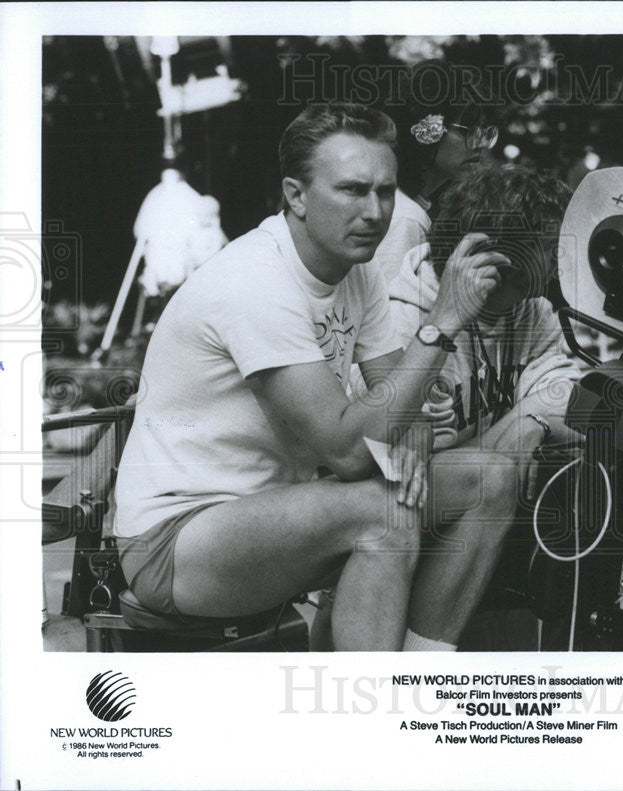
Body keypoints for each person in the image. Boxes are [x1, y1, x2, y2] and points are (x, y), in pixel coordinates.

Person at [112, 102, 520, 652]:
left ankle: (423, 673)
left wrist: (411, 434)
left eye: (385, 190)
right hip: (177, 540)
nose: (375, 211)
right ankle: (369, 719)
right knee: (385, 511)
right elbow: (353, 450)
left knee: (491, 477)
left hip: (284, 514)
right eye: (352, 190)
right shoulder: (255, 282)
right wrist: (442, 322)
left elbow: (405, 415)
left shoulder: (359, 274)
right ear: (296, 195)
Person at [386, 164, 580, 492]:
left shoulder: (534, 312)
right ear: (494, 253)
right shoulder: (405, 325)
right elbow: (412, 473)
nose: (558, 265)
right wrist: (519, 427)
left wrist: (533, 423)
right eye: (549, 249)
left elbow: (569, 401)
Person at [368, 62, 499, 284]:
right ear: (428, 129)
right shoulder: (405, 217)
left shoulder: (407, 204)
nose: (481, 143)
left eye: (486, 131)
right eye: (468, 129)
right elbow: (389, 312)